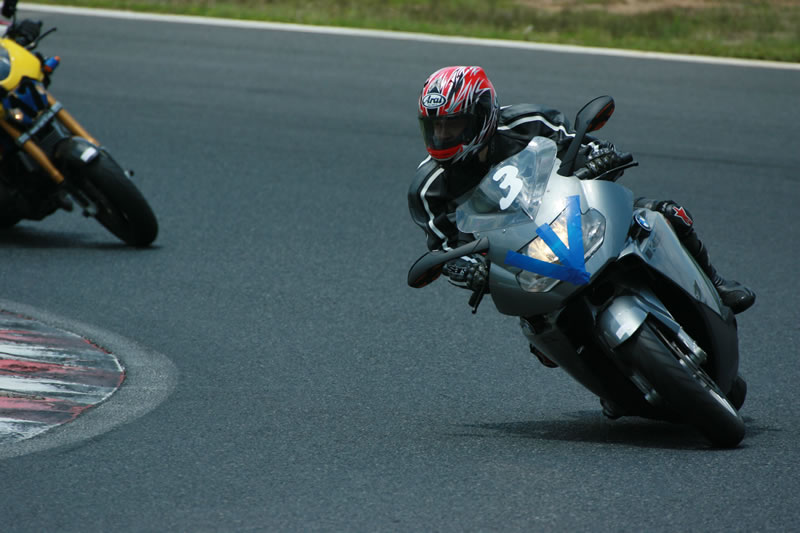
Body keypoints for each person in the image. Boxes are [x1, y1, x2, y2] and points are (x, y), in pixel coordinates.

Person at [408, 65, 755, 317]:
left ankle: (716, 284)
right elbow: (445, 247)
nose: (442, 137)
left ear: (482, 115)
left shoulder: (528, 122)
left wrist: (601, 157)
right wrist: (466, 269)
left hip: (576, 211)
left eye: (453, 126)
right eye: (434, 128)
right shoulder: (427, 188)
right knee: (542, 336)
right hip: (520, 260)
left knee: (664, 214)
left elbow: (581, 144)